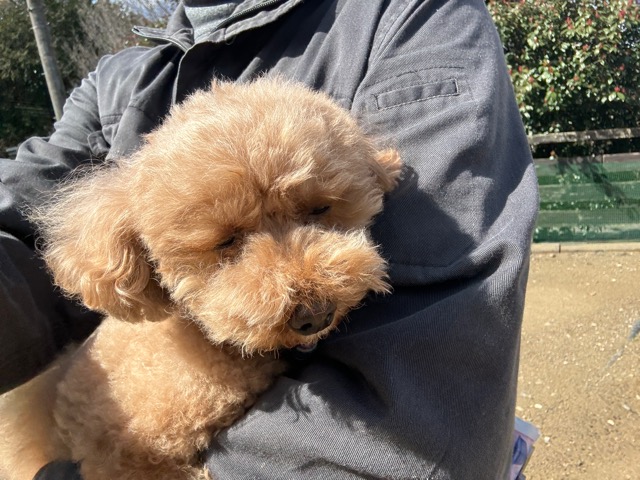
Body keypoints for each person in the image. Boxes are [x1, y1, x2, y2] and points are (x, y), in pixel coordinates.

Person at [0, 0, 539, 478]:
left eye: (318, 212)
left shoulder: (406, 18)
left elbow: (422, 429)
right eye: (228, 243)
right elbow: (22, 214)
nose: (309, 296)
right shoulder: (114, 82)